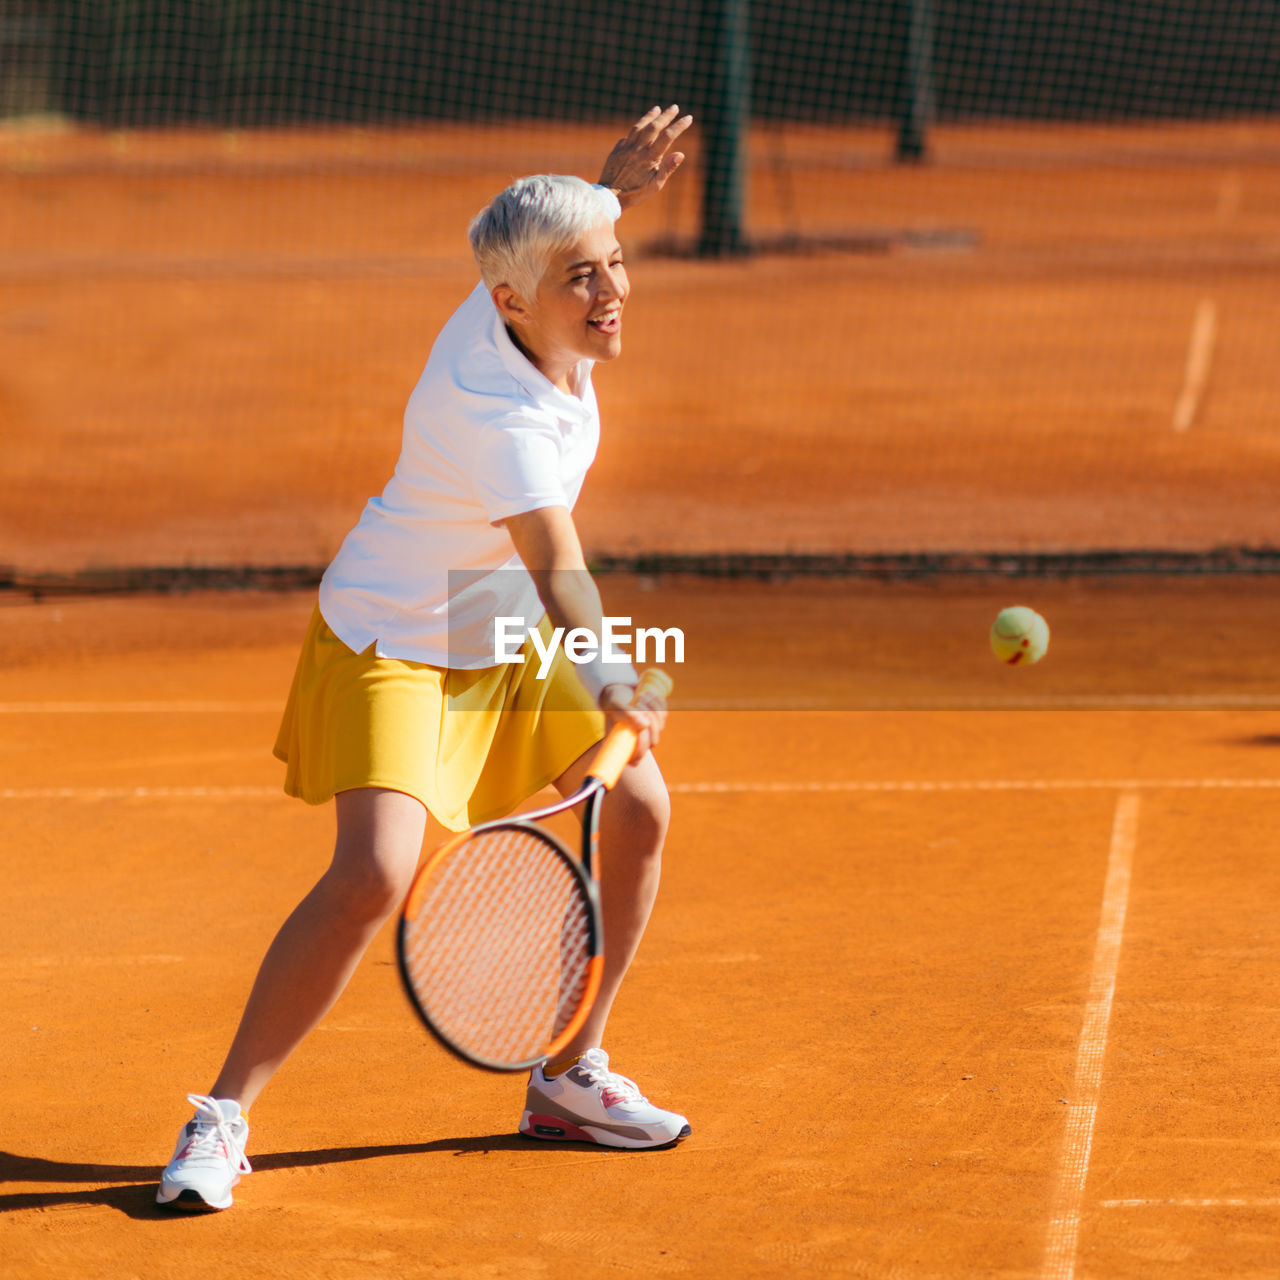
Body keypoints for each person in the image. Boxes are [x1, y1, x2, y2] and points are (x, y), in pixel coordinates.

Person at [156, 106, 694, 1212]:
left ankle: (565, 1072)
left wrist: (607, 190)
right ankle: (221, 1112)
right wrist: (614, 681)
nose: (607, 293)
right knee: (374, 876)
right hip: (396, 631)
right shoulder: (495, 415)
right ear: (509, 302)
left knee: (637, 799)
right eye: (578, 280)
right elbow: (555, 566)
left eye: (613, 266)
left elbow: (555, 242)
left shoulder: (514, 301)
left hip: (482, 610)